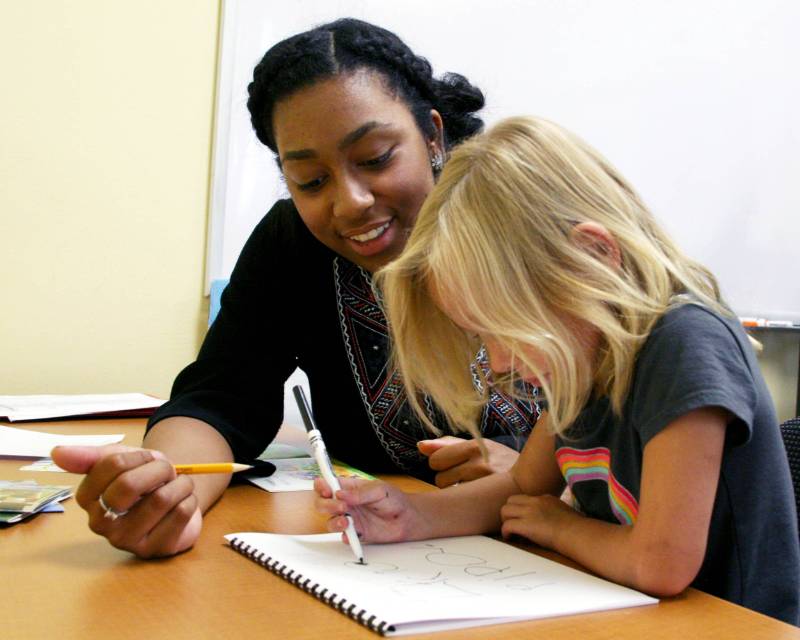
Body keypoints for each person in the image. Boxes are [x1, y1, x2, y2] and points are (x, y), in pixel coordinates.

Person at [50, 19, 539, 559]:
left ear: (432, 134)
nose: (350, 201)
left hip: (572, 560)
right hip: (390, 557)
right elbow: (221, 397)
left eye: (376, 158)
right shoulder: (292, 245)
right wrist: (171, 487)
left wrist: (544, 471)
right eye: (310, 180)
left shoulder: (534, 221)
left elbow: (637, 401)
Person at [314, 116, 800, 624]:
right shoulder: (585, 354)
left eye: (508, 328)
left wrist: (560, 527)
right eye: (483, 337)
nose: (499, 362)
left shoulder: (683, 344)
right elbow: (524, 486)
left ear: (591, 260)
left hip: (724, 626)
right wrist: (409, 516)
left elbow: (662, 563)